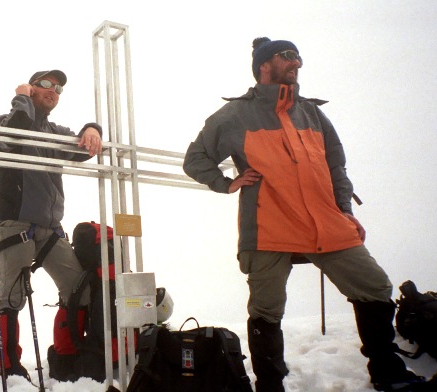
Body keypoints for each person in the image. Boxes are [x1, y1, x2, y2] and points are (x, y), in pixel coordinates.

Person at [183, 37, 429, 392]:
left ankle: (387, 372)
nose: (296, 62)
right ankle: (270, 385)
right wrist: (227, 183)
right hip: (269, 225)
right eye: (288, 56)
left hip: (325, 221)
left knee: (375, 286)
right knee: (267, 310)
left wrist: (344, 211)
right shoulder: (234, 115)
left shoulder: (311, 112)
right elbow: (195, 160)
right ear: (265, 65)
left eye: (298, 57)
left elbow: (336, 165)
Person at [0, 69, 102, 378]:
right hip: (14, 224)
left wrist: (93, 128)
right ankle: (11, 370)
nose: (53, 90)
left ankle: (69, 358)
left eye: (59, 88)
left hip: (49, 228)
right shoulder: (6, 120)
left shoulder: (55, 131)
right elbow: (16, 134)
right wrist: (22, 99)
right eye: (45, 85)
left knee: (79, 288)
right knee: (12, 297)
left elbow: (82, 152)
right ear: (31, 88)